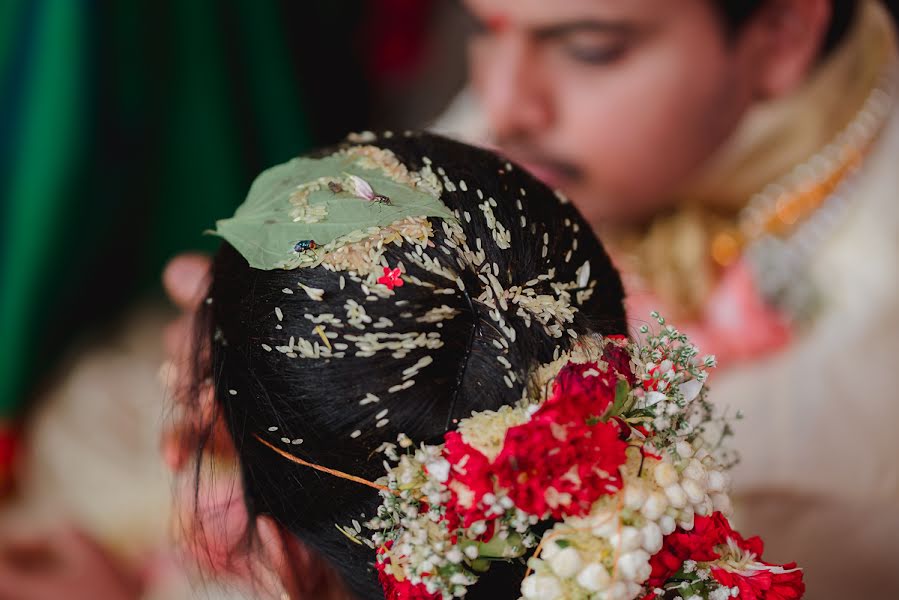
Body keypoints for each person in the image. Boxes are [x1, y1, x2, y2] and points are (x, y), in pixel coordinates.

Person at [166, 1, 899, 596]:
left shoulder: (835, 447)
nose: (501, 104)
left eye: (587, 47)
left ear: (779, 35)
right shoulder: (555, 128)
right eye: (484, 28)